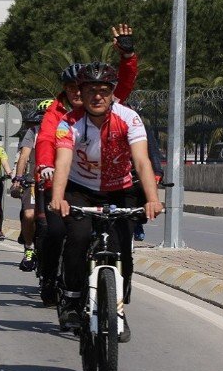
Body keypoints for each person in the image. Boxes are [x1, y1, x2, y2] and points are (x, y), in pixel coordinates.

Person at [49, 62, 163, 339]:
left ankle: (118, 309)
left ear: (112, 93)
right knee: (78, 236)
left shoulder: (130, 118)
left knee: (123, 249)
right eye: (90, 91)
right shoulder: (69, 123)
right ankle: (73, 298)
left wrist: (152, 199)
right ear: (81, 93)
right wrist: (57, 198)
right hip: (80, 188)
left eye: (103, 90)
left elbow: (141, 160)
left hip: (120, 189)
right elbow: (62, 163)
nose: (97, 96)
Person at [35, 24, 139, 305]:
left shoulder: (103, 104)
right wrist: (46, 165)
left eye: (90, 88)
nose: (82, 94)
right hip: (63, 183)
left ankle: (116, 297)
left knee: (121, 243)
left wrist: (128, 56)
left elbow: (124, 85)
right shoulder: (56, 114)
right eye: (73, 88)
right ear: (68, 90)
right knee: (57, 232)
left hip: (107, 185)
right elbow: (45, 140)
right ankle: (50, 277)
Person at [11, 102, 50, 272]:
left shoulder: (65, 131)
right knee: (28, 215)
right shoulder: (32, 133)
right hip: (35, 180)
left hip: (58, 181)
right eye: (42, 117)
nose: (45, 121)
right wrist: (18, 179)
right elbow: (24, 156)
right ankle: (28, 249)